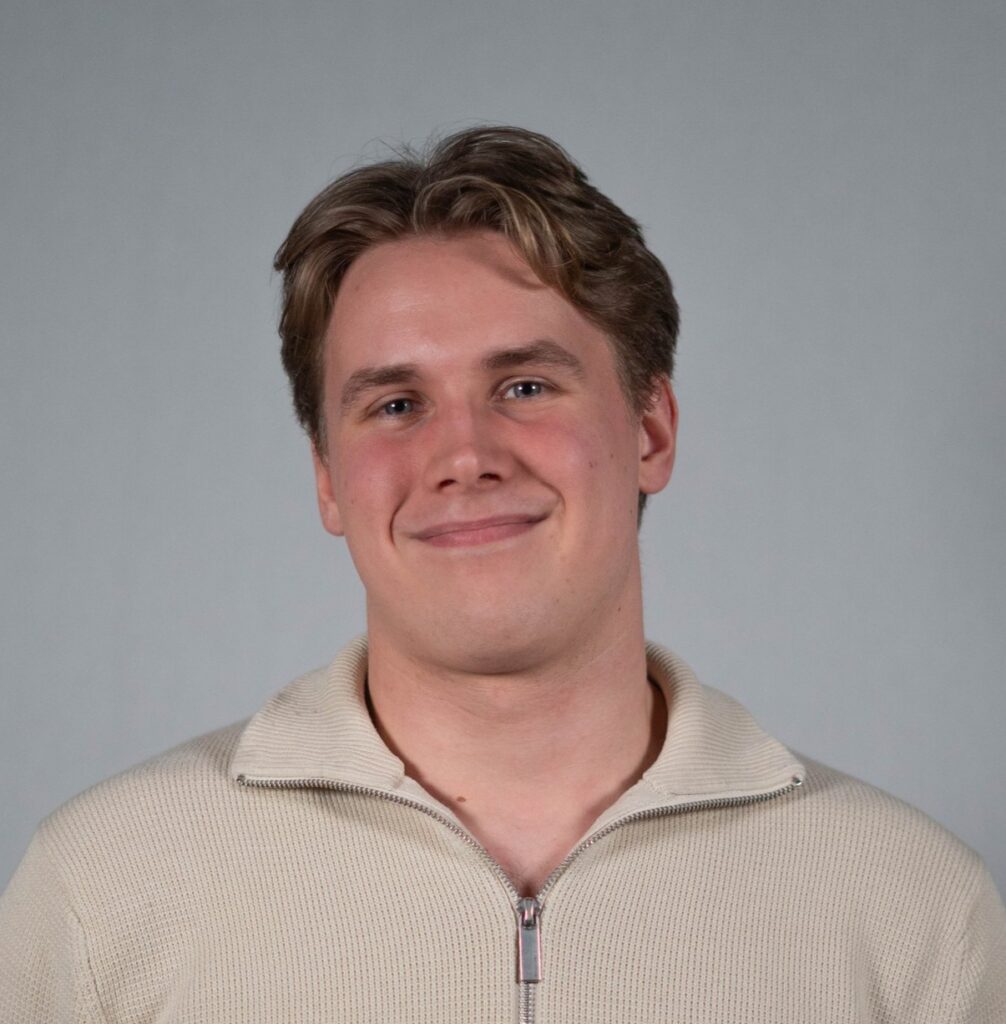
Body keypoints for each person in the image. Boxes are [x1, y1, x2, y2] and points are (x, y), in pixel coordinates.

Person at [1, 126, 1003, 1023]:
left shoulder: (912, 910)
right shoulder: (105, 890)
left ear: (650, 430)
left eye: (524, 385)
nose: (465, 455)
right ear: (328, 479)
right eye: (396, 405)